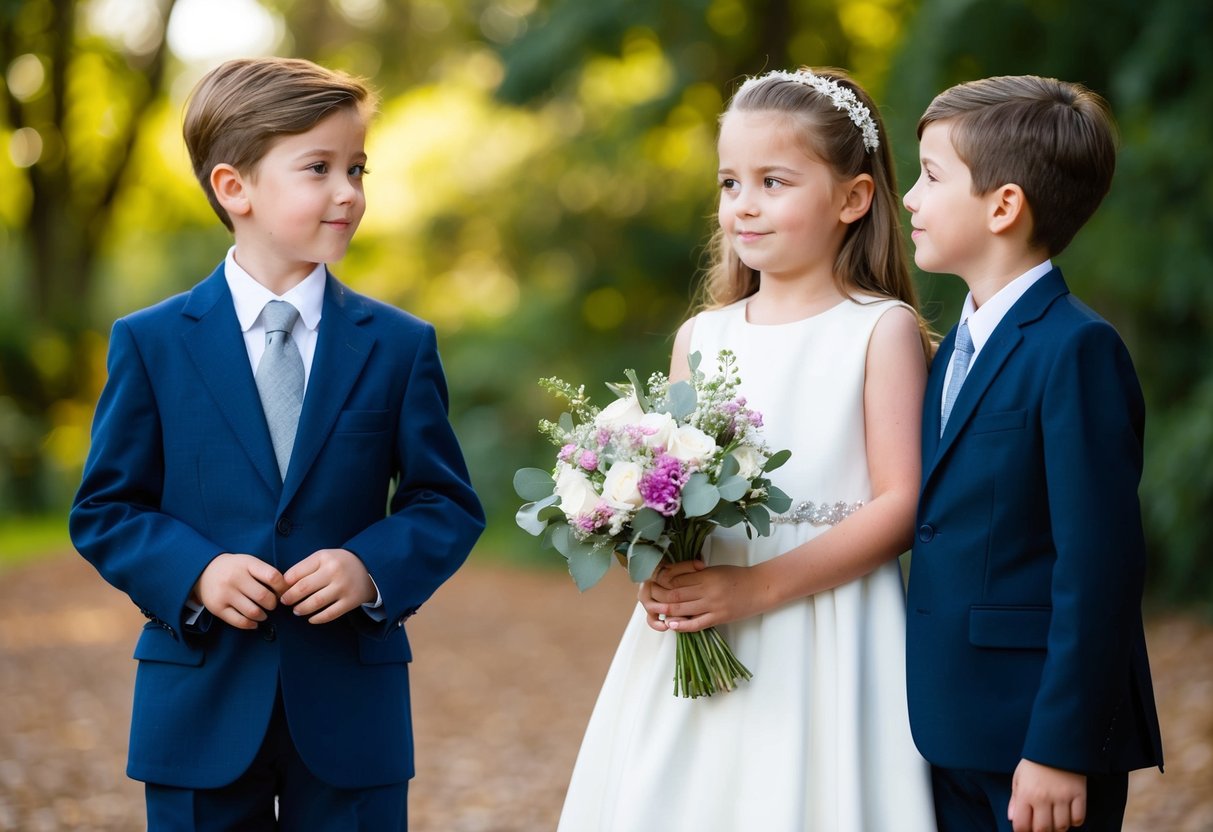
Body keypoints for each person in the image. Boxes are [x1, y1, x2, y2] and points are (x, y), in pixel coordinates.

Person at [69, 57, 484, 831]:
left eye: (357, 168)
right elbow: (106, 508)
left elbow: (444, 502)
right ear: (236, 188)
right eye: (318, 168)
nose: (348, 192)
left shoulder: (397, 346)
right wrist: (196, 572)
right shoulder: (153, 343)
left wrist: (370, 568)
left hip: (351, 710)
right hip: (198, 702)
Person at [558, 67, 937, 831]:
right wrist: (653, 552)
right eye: (730, 182)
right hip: (703, 618)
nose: (744, 205)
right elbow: (670, 478)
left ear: (852, 198)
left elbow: (900, 502)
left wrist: (759, 590)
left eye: (773, 181)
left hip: (828, 625)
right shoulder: (701, 336)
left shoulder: (878, 329)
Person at [901, 75, 1164, 832]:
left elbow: (1099, 566)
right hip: (947, 721)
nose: (911, 198)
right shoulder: (954, 345)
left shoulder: (1075, 349)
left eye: (931, 175)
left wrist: (1058, 746)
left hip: (1035, 741)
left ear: (1004, 206)